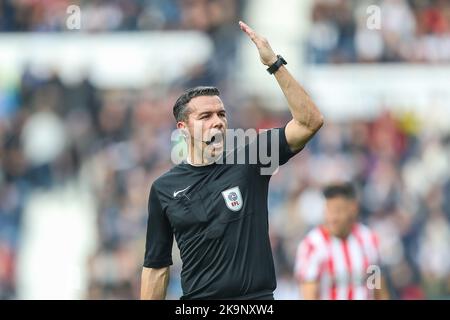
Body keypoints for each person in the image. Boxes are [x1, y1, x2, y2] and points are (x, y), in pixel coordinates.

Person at [140, 21, 324, 300]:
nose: (218, 122)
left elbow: (310, 122)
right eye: (205, 117)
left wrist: (274, 63)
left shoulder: (253, 157)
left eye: (221, 114)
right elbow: (156, 268)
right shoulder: (164, 189)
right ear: (183, 128)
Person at [294, 183, 390, 300]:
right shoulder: (313, 245)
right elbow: (309, 295)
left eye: (338, 211)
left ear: (353, 209)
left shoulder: (368, 240)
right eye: (329, 211)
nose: (333, 218)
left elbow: (378, 289)